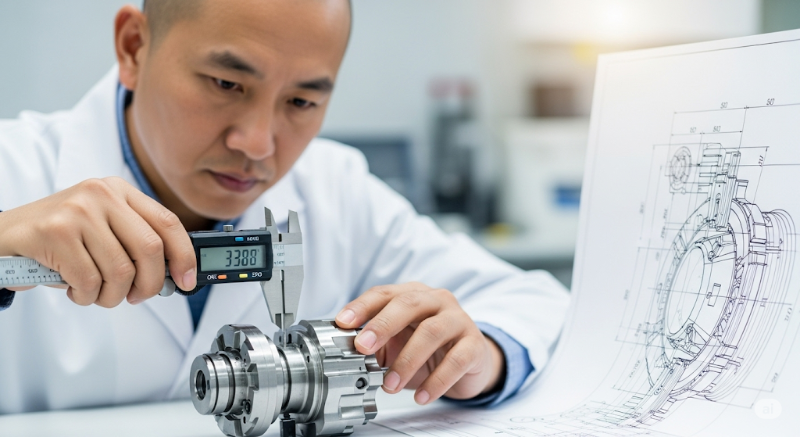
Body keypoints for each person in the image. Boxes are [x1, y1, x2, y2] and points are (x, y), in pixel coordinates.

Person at [0, 0, 569, 414]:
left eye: (301, 101)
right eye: (226, 83)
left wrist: (483, 352)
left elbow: (536, 300)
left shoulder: (337, 187)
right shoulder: (13, 170)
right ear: (134, 47)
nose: (259, 143)